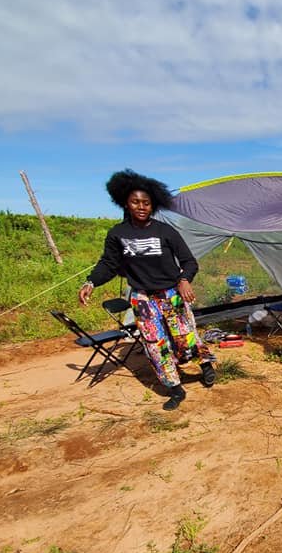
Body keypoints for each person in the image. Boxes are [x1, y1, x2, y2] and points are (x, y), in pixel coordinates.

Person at [79, 170, 215, 410]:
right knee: (155, 344)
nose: (141, 206)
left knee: (185, 337)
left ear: (153, 205)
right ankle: (174, 388)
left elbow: (189, 261)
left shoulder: (165, 231)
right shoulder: (117, 234)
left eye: (146, 203)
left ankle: (205, 364)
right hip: (142, 298)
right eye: (135, 202)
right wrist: (91, 282)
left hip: (171, 293)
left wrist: (184, 280)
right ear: (126, 203)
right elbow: (109, 264)